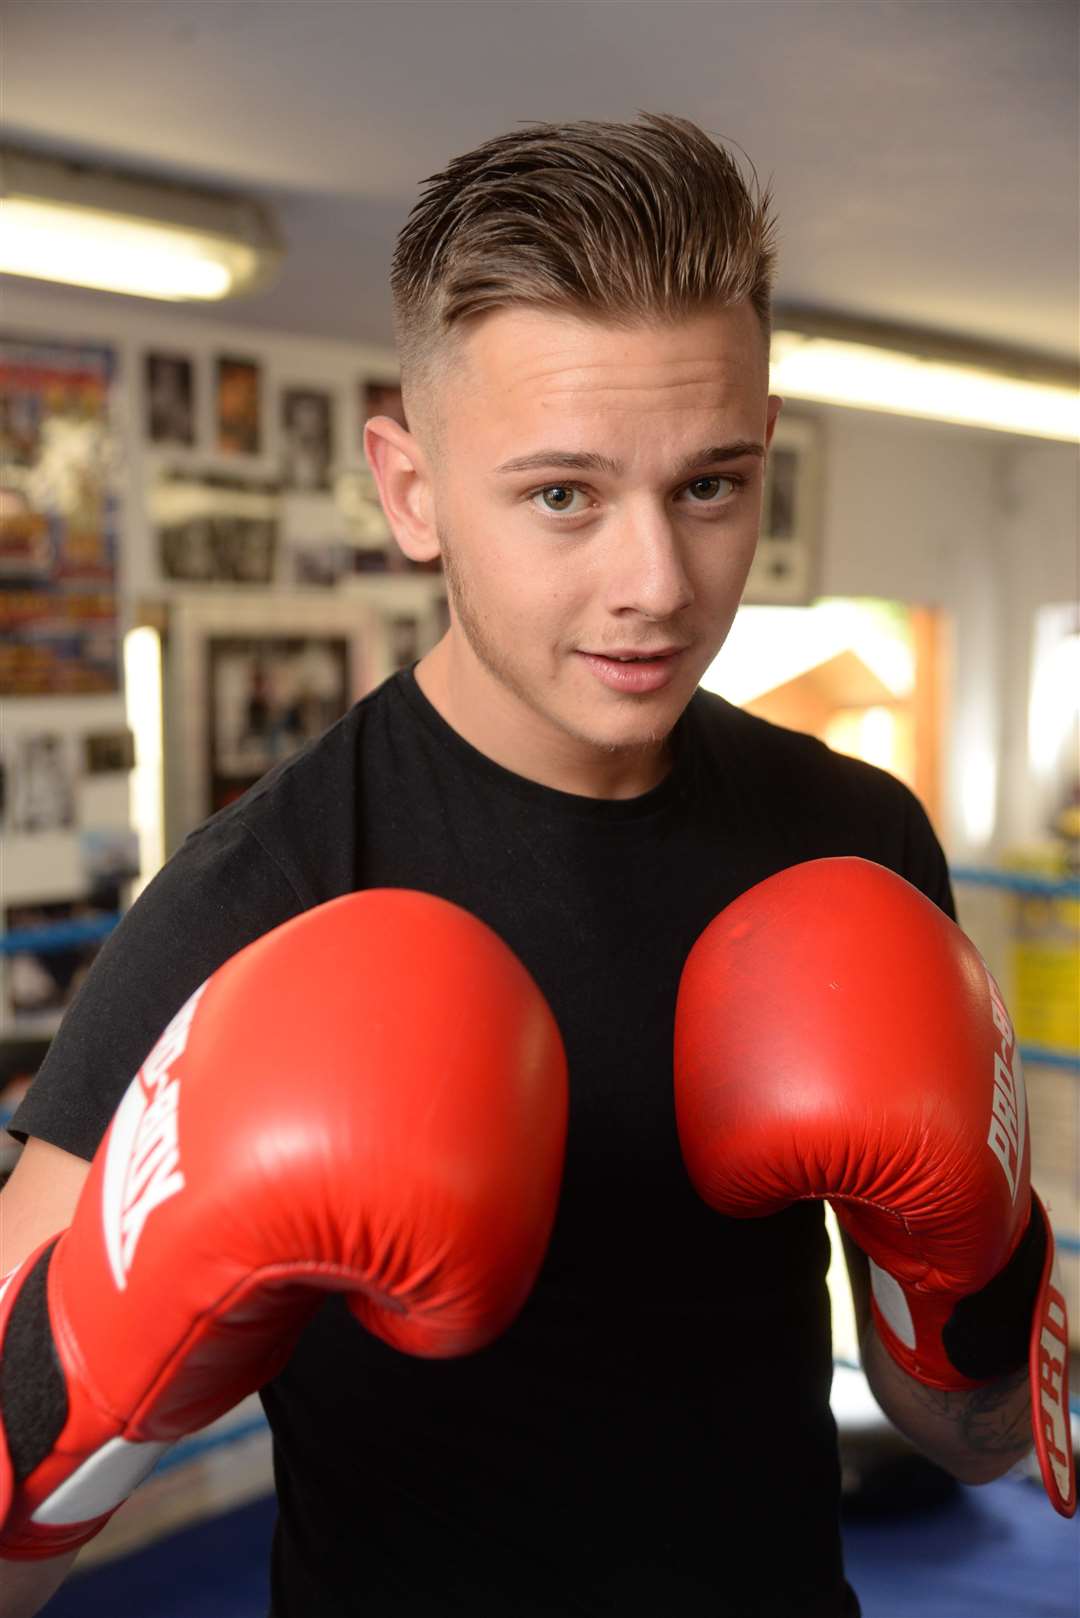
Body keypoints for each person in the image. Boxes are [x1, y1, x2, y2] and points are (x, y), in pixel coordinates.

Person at [0, 113, 1070, 1618]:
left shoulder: (856, 836)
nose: (656, 585)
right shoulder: (262, 896)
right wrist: (111, 1353)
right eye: (563, 494)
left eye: (710, 484)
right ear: (411, 489)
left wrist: (970, 1243)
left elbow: (969, 1438)